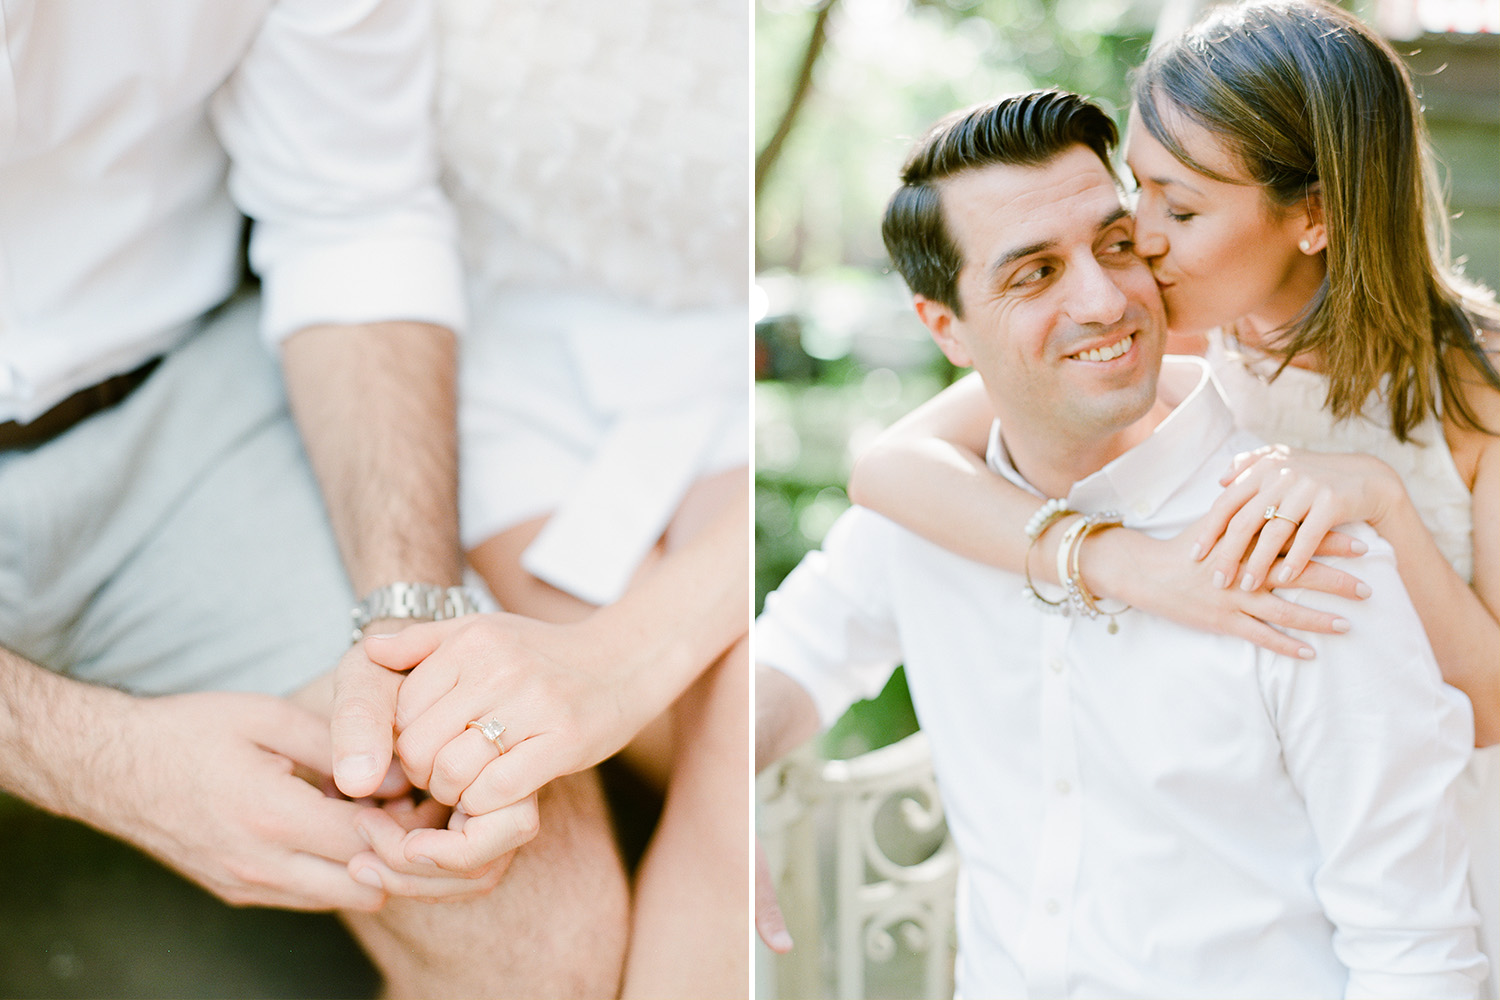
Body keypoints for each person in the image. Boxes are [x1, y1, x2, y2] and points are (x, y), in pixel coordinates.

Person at [756, 88, 1486, 997]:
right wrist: (718, 790)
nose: (1104, 300)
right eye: (1034, 274)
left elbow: (1415, 950)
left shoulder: (1299, 543)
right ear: (944, 328)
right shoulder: (926, 518)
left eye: (1115, 245)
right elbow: (789, 659)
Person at [0, 2, 627, 996]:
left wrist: (408, 628)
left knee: (536, 932)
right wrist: (102, 760)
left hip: (186, 397)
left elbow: (350, 212)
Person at [328, 1, 751, 996]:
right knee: (725, 744)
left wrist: (617, 661)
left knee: (734, 749)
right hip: (506, 385)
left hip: (731, 363)